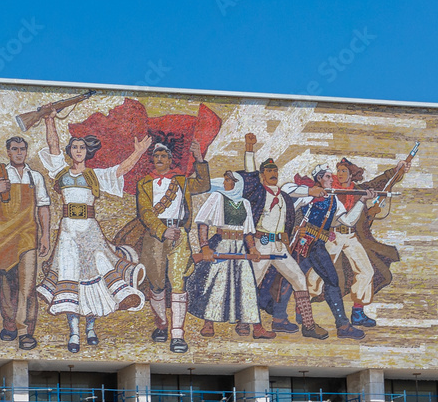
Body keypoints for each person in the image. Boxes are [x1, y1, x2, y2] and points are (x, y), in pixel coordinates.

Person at [193, 134, 327, 339]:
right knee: (250, 282)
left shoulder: (284, 195)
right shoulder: (258, 193)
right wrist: (249, 148)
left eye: (275, 170)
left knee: (299, 278)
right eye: (268, 171)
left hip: (279, 248)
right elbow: (250, 172)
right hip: (261, 243)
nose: (273, 173)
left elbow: (296, 197)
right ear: (263, 175)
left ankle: (308, 326)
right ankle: (243, 323)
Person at [37, 110, 149, 353]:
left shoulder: (95, 176)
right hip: (67, 232)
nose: (78, 151)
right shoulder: (61, 173)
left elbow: (120, 170)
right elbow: (52, 143)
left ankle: (90, 327)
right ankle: (74, 332)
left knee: (95, 274)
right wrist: (49, 120)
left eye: (81, 147)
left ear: (87, 152)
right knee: (71, 276)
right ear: (70, 152)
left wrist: (138, 152)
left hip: (90, 231)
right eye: (74, 147)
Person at [306, 156, 410, 327]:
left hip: (351, 236)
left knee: (366, 271)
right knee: (318, 272)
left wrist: (396, 170)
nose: (339, 174)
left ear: (351, 174)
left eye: (343, 171)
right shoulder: (329, 189)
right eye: (337, 170)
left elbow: (381, 182)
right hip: (332, 236)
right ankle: (304, 303)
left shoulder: (359, 189)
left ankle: (358, 312)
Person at [281, 164, 377, 339]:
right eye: (326, 176)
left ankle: (342, 325)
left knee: (330, 281)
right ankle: (281, 318)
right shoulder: (308, 195)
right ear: (318, 179)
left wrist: (362, 202)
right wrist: (310, 192)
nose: (331, 179)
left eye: (330, 177)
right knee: (290, 281)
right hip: (301, 243)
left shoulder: (333, 200)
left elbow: (348, 221)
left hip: (317, 245)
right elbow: (285, 189)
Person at [0, 137, 52, 350]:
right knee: (8, 284)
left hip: (28, 236)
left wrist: (45, 235)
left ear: (26, 152)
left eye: (22, 149)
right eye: (15, 149)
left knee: (28, 286)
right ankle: (9, 325)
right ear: (8, 152)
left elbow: (43, 207)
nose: (19, 153)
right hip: (5, 236)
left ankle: (27, 332)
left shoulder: (35, 177)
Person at [186, 170, 273, 338]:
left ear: (237, 183)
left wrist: (252, 248)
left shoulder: (245, 203)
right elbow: (203, 222)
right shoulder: (217, 198)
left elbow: (248, 230)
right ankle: (208, 323)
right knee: (216, 283)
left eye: (229, 180)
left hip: (240, 246)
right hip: (222, 244)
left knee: (247, 284)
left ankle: (257, 328)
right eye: (225, 179)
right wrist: (204, 247)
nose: (226, 183)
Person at [135, 143, 193, 353]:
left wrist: (199, 157)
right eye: (156, 155)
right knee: (157, 282)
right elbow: (145, 212)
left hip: (179, 235)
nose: (159, 158)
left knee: (178, 284)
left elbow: (203, 184)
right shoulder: (144, 183)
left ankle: (177, 335)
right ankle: (161, 324)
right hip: (155, 236)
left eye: (163, 156)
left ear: (170, 160)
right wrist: (162, 231)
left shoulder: (182, 180)